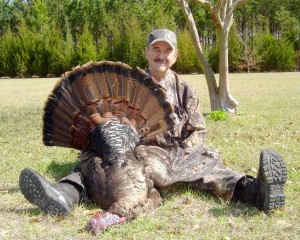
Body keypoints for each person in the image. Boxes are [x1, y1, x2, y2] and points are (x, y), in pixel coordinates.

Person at [19, 28, 287, 217]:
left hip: (176, 155)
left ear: (175, 56)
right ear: (147, 53)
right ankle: (65, 195)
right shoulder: (123, 86)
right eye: (156, 49)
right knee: (96, 160)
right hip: (134, 153)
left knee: (210, 164)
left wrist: (181, 156)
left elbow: (198, 131)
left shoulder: (185, 90)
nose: (161, 55)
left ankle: (255, 192)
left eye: (167, 51)